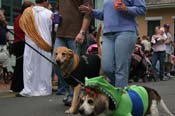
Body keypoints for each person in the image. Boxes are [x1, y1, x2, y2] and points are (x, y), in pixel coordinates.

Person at [79, 0, 146, 88]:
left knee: (121, 68)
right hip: (108, 34)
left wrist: (126, 8)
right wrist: (92, 12)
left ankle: (120, 96)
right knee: (107, 67)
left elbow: (142, 10)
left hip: (126, 32)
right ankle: (119, 89)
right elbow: (105, 14)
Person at [53, 0, 92, 105]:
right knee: (55, 63)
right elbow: (58, 9)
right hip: (60, 33)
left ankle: (73, 95)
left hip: (76, 34)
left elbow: (88, 14)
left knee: (75, 68)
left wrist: (82, 32)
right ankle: (68, 90)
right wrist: (55, 16)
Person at [19, 0, 53, 97]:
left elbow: (23, 26)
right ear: (45, 1)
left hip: (30, 44)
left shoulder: (27, 12)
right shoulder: (49, 13)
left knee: (30, 67)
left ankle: (29, 89)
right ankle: (44, 89)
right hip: (45, 43)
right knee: (44, 67)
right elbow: (52, 29)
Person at [10, 1, 34, 92]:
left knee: (19, 65)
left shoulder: (17, 18)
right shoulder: (25, 18)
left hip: (17, 43)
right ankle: (18, 86)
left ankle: (16, 86)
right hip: (22, 43)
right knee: (22, 66)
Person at [0, 8, 10, 84]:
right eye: (1, 15)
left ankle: (5, 76)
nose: (3, 16)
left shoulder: (3, 25)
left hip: (4, 45)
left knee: (5, 62)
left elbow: (7, 36)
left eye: (3, 15)